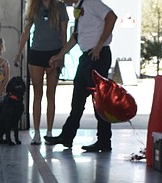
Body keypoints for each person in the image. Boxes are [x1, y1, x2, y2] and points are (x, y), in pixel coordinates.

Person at [44, 0, 117, 152]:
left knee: (99, 101)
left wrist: (99, 45)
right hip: (86, 57)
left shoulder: (91, 3)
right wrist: (59, 55)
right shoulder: (78, 7)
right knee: (77, 100)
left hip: (98, 55)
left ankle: (104, 140)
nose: (63, 2)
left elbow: (112, 17)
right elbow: (76, 37)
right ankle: (67, 136)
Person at [13, 0, 69, 145]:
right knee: (37, 93)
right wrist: (19, 53)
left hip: (54, 53)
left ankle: (49, 132)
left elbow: (64, 33)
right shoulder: (33, 7)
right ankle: (36, 133)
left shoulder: (60, 6)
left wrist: (62, 55)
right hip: (36, 53)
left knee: (51, 94)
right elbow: (26, 31)